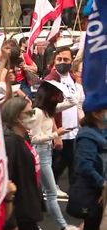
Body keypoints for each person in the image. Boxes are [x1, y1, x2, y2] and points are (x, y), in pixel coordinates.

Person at [2, 96, 58, 230]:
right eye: (30, 112)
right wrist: (11, 217)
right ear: (17, 117)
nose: (34, 116)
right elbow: (6, 181)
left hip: (22, 212)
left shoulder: (22, 137)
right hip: (19, 213)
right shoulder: (11, 143)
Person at [31, 80, 78, 230]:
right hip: (40, 154)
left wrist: (64, 88)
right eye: (57, 93)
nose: (59, 96)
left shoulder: (49, 111)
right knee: (49, 192)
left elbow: (73, 102)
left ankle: (33, 227)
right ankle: (63, 228)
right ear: (49, 95)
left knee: (37, 193)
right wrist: (55, 134)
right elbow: (34, 138)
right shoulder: (38, 112)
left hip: (46, 153)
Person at [68, 103, 107, 230]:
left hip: (100, 193)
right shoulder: (87, 136)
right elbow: (85, 166)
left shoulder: (101, 132)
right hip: (94, 193)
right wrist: (103, 184)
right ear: (97, 114)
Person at [46, 46, 80, 190]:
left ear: (71, 61)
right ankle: (49, 191)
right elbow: (48, 110)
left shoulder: (72, 78)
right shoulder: (51, 80)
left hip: (73, 132)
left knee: (72, 165)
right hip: (60, 133)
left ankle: (74, 197)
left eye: (65, 59)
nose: (62, 62)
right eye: (59, 59)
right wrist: (56, 135)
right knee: (56, 166)